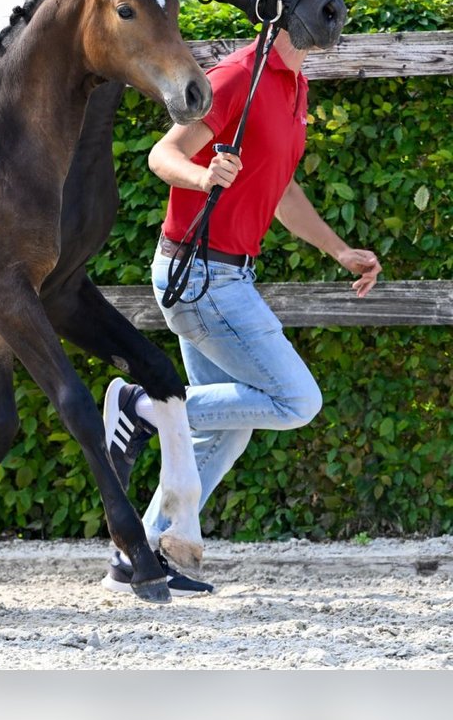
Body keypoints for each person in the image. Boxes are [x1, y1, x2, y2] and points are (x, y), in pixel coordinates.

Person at [100, 32, 382, 598]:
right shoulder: (238, 77)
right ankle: (143, 406)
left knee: (225, 432)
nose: (326, 10)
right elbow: (163, 154)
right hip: (202, 276)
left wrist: (337, 249)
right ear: (280, 13)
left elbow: (279, 190)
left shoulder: (293, 84)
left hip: (224, 274)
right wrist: (204, 176)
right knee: (296, 401)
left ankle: (141, 555)